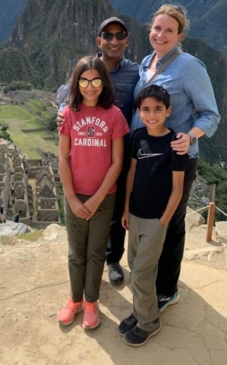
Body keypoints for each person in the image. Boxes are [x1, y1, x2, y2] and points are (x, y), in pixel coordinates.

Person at [131, 4, 220, 312]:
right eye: (157, 28)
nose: (161, 34)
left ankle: (167, 289)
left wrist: (190, 136)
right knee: (148, 218)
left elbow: (211, 114)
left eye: (169, 30)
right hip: (144, 156)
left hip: (175, 158)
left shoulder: (190, 66)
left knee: (170, 223)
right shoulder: (146, 63)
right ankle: (150, 275)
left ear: (180, 35)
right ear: (150, 31)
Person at [57, 17, 139, 286]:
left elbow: (150, 99)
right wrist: (61, 113)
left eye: (120, 35)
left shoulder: (135, 72)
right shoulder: (87, 69)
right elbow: (64, 96)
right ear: (99, 40)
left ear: (127, 40)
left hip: (119, 150)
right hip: (90, 152)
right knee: (89, 211)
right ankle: (88, 268)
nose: (114, 41)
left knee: (112, 209)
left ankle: (112, 258)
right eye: (108, 35)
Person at [57, 56, 129, 330]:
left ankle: (91, 301)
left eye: (96, 80)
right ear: (77, 82)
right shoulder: (67, 114)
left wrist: (99, 197)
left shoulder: (114, 115)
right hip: (75, 194)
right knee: (76, 252)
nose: (90, 86)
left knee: (96, 252)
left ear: (104, 82)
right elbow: (63, 158)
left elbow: (117, 162)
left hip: (104, 196)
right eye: (84, 80)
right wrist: (73, 198)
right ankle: (75, 299)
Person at [118, 85, 189, 346]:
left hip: (156, 220)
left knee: (142, 273)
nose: (152, 115)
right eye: (146, 109)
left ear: (168, 111)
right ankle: (139, 312)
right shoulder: (138, 137)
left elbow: (178, 189)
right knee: (135, 265)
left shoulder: (176, 144)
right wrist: (126, 208)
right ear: (139, 111)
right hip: (135, 214)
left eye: (158, 109)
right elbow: (131, 175)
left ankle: (149, 322)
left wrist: (164, 222)